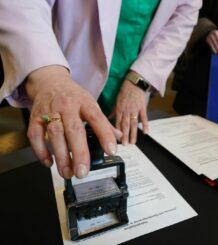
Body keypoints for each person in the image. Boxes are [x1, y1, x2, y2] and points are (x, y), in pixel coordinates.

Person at [0, 0, 201, 179]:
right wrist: (50, 77)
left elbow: (185, 11)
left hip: (133, 79)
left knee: (122, 158)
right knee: (50, 163)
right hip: (54, 76)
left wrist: (141, 79)